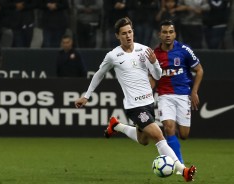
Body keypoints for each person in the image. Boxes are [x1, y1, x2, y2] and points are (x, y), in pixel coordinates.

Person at [75, 17, 196, 182]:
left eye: (130, 32)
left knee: (143, 140)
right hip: (134, 106)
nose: (128, 36)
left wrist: (154, 63)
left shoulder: (144, 50)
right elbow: (99, 74)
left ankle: (116, 126)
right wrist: (86, 95)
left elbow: (158, 75)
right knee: (159, 135)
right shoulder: (113, 56)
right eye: (124, 33)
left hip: (148, 103)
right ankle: (183, 171)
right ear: (118, 36)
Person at [153, 19, 203, 171]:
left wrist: (194, 91)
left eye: (170, 32)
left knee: (184, 134)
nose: (168, 35)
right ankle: (180, 165)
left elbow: (199, 70)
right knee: (168, 127)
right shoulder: (154, 54)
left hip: (183, 95)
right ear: (159, 35)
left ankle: (172, 152)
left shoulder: (184, 50)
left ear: (175, 34)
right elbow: (150, 76)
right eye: (164, 32)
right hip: (164, 95)